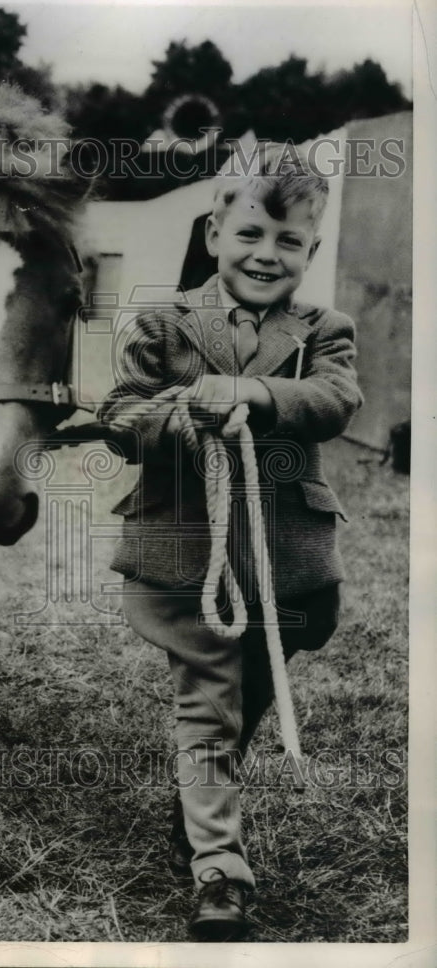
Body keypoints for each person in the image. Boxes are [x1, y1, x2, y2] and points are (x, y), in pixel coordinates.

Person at [99, 144, 363, 941]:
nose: (266, 255)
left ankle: (199, 793)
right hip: (190, 550)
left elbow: (334, 399)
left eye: (289, 242)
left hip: (286, 556)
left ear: (311, 252)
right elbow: (120, 414)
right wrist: (178, 412)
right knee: (207, 700)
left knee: (253, 683)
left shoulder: (325, 331)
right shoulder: (161, 319)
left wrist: (255, 391)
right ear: (215, 232)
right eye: (250, 233)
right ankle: (220, 868)